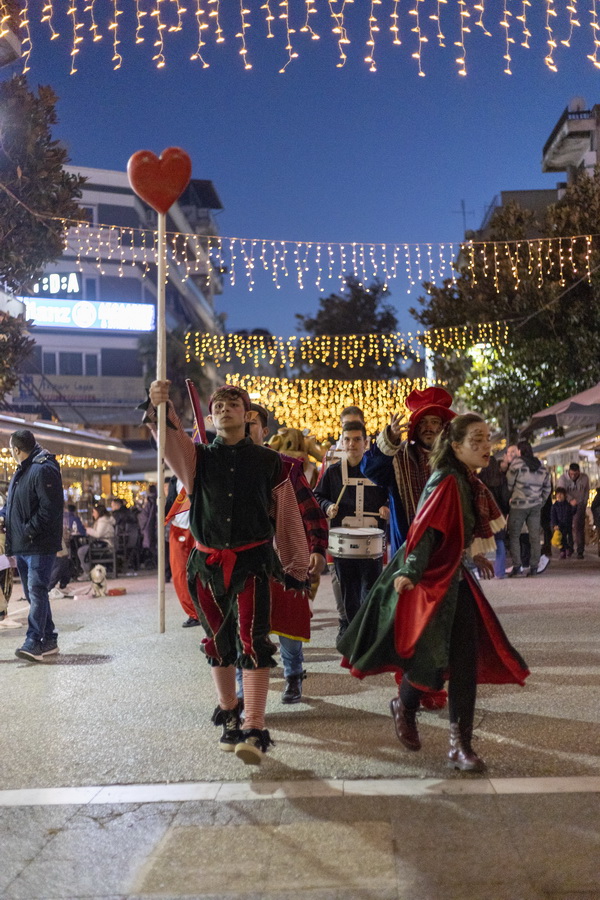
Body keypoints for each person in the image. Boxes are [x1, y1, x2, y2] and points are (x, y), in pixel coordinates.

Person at [338, 414, 530, 771]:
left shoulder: (466, 480)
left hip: (454, 578)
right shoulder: (446, 480)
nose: (486, 446)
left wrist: (472, 554)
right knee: (428, 661)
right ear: (455, 446)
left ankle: (460, 746)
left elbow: (456, 529)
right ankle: (405, 705)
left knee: (463, 662)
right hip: (429, 582)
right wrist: (411, 571)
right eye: (476, 440)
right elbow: (425, 531)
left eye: (487, 438)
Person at [144, 380, 309, 765]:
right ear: (211, 415)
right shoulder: (197, 458)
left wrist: (295, 564)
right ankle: (230, 713)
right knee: (219, 644)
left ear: (246, 414)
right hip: (206, 568)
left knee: (253, 641)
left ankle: (254, 725)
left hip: (253, 565)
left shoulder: (270, 462)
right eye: (217, 405)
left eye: (232, 404)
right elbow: (170, 441)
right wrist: (161, 407)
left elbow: (286, 516)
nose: (223, 409)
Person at [248, 402, 327, 703]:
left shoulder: (286, 467)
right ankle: (244, 691)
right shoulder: (226, 467)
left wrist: (317, 548)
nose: (246, 427)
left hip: (284, 556)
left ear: (264, 430)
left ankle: (293, 675)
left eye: (252, 423)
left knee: (288, 620)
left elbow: (312, 511)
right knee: (246, 625)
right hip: (244, 559)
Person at [361, 386, 456, 556]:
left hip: (445, 548)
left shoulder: (453, 460)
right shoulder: (399, 458)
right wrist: (390, 438)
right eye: (423, 422)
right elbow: (369, 469)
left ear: (443, 427)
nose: (428, 427)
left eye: (434, 422)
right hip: (407, 550)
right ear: (415, 427)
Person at [314, 419, 388, 635]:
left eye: (357, 439)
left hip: (372, 541)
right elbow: (317, 496)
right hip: (343, 542)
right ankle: (352, 632)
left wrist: (386, 506)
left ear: (366, 442)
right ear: (342, 442)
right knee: (348, 589)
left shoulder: (377, 471)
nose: (352, 444)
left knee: (370, 588)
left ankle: (366, 632)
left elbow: (392, 494)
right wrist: (328, 506)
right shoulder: (333, 471)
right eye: (347, 440)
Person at [4, 429, 64, 661]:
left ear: (17, 449)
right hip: (24, 544)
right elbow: (15, 506)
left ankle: (33, 641)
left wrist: (28, 531)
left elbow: (50, 509)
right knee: (33, 594)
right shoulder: (24, 470)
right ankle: (49, 639)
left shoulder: (42, 469)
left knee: (37, 591)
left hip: (38, 544)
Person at [506, 440, 551, 577]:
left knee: (514, 535)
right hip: (535, 506)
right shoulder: (541, 466)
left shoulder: (517, 464)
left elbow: (509, 483)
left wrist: (513, 494)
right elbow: (547, 488)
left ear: (520, 451)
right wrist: (540, 501)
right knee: (534, 537)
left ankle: (517, 566)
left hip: (518, 505)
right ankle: (534, 567)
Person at [556, 463, 590, 559]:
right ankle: (568, 548)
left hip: (580, 504)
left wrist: (584, 502)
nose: (573, 476)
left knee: (578, 526)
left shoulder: (584, 478)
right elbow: (561, 491)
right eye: (571, 474)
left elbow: (587, 490)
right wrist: (570, 499)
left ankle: (580, 550)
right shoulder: (563, 479)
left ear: (579, 472)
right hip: (566, 505)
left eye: (575, 474)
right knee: (566, 527)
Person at [77, 503, 115, 576]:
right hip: (103, 543)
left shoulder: (102, 521)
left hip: (105, 545)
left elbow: (98, 534)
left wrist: (87, 529)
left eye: (94, 512)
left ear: (99, 512)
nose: (93, 514)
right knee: (83, 549)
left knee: (81, 551)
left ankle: (87, 572)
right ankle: (88, 570)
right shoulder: (103, 520)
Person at [551, 487, 576, 558]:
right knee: (560, 539)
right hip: (559, 526)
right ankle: (563, 551)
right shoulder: (554, 506)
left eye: (561, 494)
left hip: (567, 525)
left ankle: (569, 549)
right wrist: (554, 525)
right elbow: (553, 516)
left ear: (565, 496)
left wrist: (574, 506)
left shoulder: (567, 505)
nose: (559, 496)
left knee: (569, 538)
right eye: (558, 494)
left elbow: (571, 513)